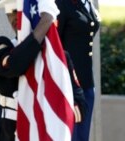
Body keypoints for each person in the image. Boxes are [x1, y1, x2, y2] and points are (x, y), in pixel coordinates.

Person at [0, 0, 86, 140]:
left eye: (19, 12)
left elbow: (79, 105)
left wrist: (52, 113)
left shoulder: (59, 58)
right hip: (9, 131)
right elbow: (15, 65)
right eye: (10, 13)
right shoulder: (3, 46)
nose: (15, 18)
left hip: (45, 133)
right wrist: (46, 21)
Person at [55, 0, 100, 140]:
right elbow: (55, 46)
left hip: (86, 81)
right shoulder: (62, 4)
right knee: (72, 135)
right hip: (69, 83)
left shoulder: (87, 3)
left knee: (82, 134)